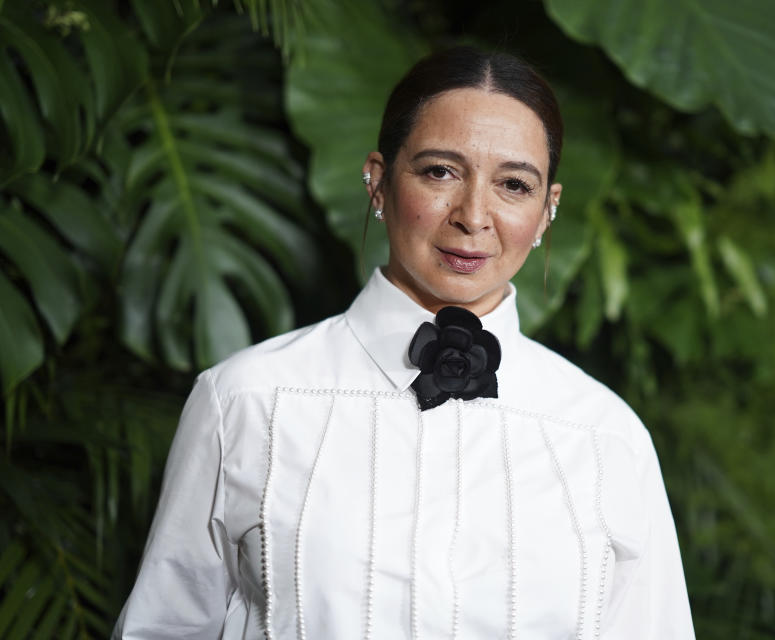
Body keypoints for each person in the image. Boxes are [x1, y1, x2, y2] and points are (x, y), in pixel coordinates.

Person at [114, 46, 695, 639]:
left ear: (548, 211)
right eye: (440, 171)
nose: (473, 216)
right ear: (378, 180)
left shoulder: (605, 438)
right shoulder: (247, 402)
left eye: (514, 185)